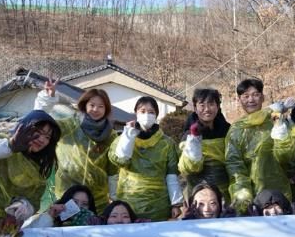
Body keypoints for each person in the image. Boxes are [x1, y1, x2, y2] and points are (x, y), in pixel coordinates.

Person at [35, 81, 118, 212]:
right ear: (84, 105)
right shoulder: (70, 125)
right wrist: (47, 98)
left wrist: (114, 197)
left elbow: (113, 168)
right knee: (65, 224)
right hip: (66, 196)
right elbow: (41, 122)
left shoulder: (110, 135)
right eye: (92, 105)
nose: (96, 109)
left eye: (101, 106)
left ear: (106, 109)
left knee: (92, 225)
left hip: (97, 201)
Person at [225, 79, 295, 214]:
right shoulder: (236, 130)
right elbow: (234, 164)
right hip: (252, 195)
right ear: (239, 100)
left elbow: (288, 156)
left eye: (255, 95)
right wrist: (242, 191)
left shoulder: (277, 121)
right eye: (246, 96)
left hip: (279, 194)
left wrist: (280, 130)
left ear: (263, 97)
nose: (251, 100)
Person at [109, 96, 183, 221]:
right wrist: (128, 136)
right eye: (142, 111)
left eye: (151, 112)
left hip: (159, 205)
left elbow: (171, 175)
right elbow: (120, 160)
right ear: (136, 113)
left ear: (156, 115)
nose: (147, 115)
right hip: (128, 204)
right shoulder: (124, 138)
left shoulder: (167, 143)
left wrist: (175, 203)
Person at [178, 88, 231, 204]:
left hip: (225, 194)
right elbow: (188, 168)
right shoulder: (189, 135)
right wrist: (194, 139)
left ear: (218, 106)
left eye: (211, 104)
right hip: (198, 194)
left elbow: (234, 161)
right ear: (195, 108)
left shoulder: (228, 131)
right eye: (202, 105)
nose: (207, 109)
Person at [22, 184, 100, 227]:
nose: (79, 207)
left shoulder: (96, 227)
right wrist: (50, 216)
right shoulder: (51, 222)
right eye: (75, 202)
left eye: (84, 204)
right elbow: (32, 236)